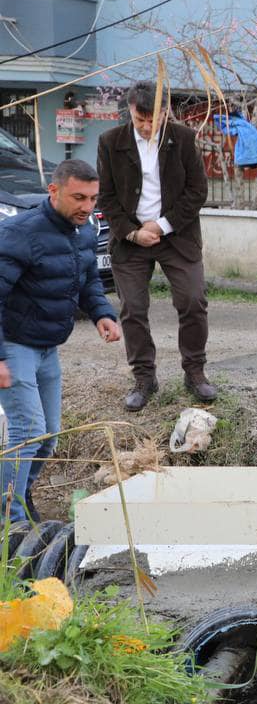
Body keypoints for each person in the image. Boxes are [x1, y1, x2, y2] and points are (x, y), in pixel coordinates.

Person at [0, 160, 121, 522]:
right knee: (28, 431)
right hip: (14, 345)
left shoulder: (83, 231)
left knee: (50, 436)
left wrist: (102, 313)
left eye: (92, 198)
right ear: (54, 192)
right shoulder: (20, 233)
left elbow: (88, 281)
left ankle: (19, 494)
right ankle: (12, 519)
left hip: (48, 347)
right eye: (78, 197)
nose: (87, 206)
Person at [98, 81, 215, 410]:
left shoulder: (184, 139)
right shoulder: (110, 142)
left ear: (165, 112)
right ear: (131, 113)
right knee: (133, 309)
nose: (147, 126)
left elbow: (197, 191)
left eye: (154, 119)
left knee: (193, 300)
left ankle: (195, 373)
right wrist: (134, 233)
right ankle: (144, 378)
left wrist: (161, 226)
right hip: (130, 239)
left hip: (177, 235)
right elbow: (106, 196)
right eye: (140, 119)